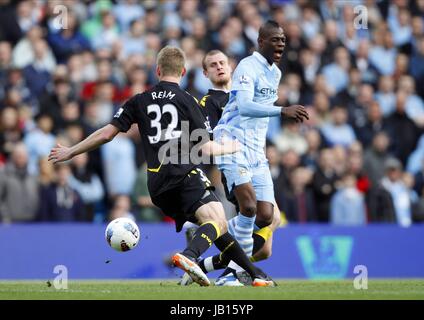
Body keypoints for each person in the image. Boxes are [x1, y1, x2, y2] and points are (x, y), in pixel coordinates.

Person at [49, 46, 275, 287]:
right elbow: (206, 147)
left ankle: (254, 274)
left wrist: (71, 151)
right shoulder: (187, 100)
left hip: (156, 185)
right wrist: (235, 147)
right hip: (183, 173)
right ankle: (189, 256)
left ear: (157, 70)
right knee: (217, 222)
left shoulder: (138, 100)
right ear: (183, 71)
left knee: (216, 226)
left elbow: (106, 134)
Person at [180, 48, 289, 286]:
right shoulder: (207, 103)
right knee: (268, 217)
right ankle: (233, 272)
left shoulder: (245, 93)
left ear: (231, 66)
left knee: (265, 247)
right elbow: (208, 141)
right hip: (234, 165)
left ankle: (206, 251)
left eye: (222, 62)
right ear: (206, 73)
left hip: (255, 161)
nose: (219, 67)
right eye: (213, 65)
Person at [211, 20, 309, 285]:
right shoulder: (246, 66)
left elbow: (260, 115)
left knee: (266, 216)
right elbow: (243, 106)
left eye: (283, 40)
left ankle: (208, 240)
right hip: (231, 141)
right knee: (249, 206)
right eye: (275, 39)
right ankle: (235, 273)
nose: (281, 44)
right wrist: (282, 110)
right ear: (261, 41)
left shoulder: (275, 73)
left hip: (256, 149)